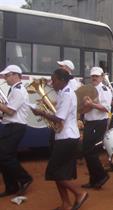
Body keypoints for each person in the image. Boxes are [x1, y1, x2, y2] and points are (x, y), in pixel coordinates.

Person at [32, 68, 88, 210]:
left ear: (62, 80)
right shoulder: (63, 93)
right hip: (64, 136)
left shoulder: (67, 94)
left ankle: (79, 193)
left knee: (53, 172)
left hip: (67, 137)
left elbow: (59, 118)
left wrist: (42, 112)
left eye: (54, 80)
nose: (52, 83)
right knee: (59, 173)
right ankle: (65, 204)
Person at [0, 65, 33, 197]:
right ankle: (11, 186)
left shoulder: (18, 90)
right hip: (11, 126)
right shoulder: (14, 90)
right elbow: (8, 112)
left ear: (15, 75)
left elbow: (10, 110)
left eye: (7, 75)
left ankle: (25, 178)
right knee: (7, 156)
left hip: (15, 127)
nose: (5, 78)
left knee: (5, 156)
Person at [80, 67, 112, 189]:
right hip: (89, 122)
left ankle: (101, 176)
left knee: (90, 151)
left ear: (101, 77)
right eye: (92, 76)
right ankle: (94, 179)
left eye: (96, 76)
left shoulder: (104, 90)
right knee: (87, 151)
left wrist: (91, 104)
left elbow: (107, 108)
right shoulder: (88, 89)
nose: (94, 78)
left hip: (99, 123)